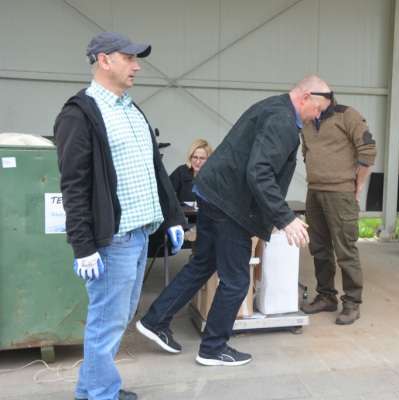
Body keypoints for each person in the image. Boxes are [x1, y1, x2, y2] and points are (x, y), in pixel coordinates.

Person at [136, 75, 332, 366]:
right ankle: (213, 348)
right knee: (237, 281)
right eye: (318, 109)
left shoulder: (272, 106)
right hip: (230, 206)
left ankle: (155, 320)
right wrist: (285, 217)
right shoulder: (282, 122)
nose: (317, 116)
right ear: (306, 97)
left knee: (202, 265)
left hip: (213, 195)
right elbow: (260, 172)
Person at [54, 31, 187, 400]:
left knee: (118, 316)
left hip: (140, 235)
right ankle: (100, 394)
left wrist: (173, 217)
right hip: (113, 240)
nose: (136, 66)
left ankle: (92, 389)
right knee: (106, 322)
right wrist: (83, 246)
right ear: (104, 60)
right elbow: (74, 186)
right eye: (128, 58)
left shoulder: (131, 110)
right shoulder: (79, 115)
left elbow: (155, 170)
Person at [299, 94, 377, 325]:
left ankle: (352, 303)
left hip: (341, 193)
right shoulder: (308, 119)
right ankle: (326, 296)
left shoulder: (347, 115)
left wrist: (358, 184)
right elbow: (306, 151)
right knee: (319, 248)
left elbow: (368, 149)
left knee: (345, 250)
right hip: (314, 191)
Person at [169, 139, 213, 204]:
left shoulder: (215, 175)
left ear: (209, 159)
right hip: (184, 210)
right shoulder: (181, 171)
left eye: (202, 158)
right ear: (190, 157)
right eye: (195, 157)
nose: (198, 162)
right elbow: (166, 192)